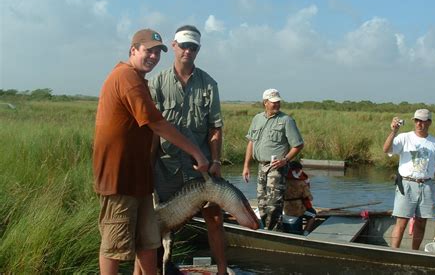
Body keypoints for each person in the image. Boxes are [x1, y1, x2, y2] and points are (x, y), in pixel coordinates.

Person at [92, 28, 208, 275]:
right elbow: (157, 123)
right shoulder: (125, 76)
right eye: (148, 51)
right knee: (114, 245)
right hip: (119, 178)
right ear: (133, 50)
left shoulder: (139, 80)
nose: (154, 57)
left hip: (139, 179)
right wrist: (197, 153)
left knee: (148, 241)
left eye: (157, 52)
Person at [148, 25, 227, 275]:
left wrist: (216, 161)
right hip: (166, 167)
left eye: (193, 47)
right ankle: (159, 268)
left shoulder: (209, 84)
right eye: (184, 46)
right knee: (158, 224)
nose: (188, 51)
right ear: (174, 46)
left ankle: (223, 270)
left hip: (200, 169)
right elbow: (152, 129)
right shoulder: (157, 82)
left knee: (214, 219)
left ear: (198, 50)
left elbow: (215, 127)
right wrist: (148, 166)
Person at [383, 108, 435, 250]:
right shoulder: (404, 137)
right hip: (407, 184)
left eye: (423, 121)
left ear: (429, 122)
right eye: (417, 120)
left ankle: (414, 252)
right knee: (402, 222)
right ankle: (394, 253)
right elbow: (386, 149)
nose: (419, 124)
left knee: (421, 222)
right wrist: (394, 132)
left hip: (427, 185)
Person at [242, 88, 304, 230]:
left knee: (274, 203)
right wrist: (246, 166)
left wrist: (285, 160)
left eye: (278, 102)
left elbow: (298, 145)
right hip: (261, 166)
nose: (277, 104)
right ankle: (266, 228)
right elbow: (251, 143)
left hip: (277, 167)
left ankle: (274, 231)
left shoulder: (286, 120)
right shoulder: (257, 119)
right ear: (265, 102)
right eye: (273, 102)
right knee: (262, 202)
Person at [284, 160, 317, 236]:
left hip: (285, 207)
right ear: (297, 170)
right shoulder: (302, 182)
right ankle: (305, 233)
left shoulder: (282, 180)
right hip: (298, 209)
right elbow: (310, 197)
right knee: (313, 215)